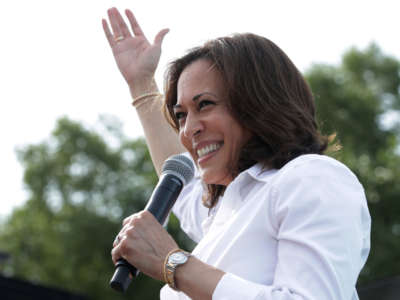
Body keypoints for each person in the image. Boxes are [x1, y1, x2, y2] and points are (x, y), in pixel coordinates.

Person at [103, 7, 371, 300]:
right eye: (181, 115)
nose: (188, 129)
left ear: (258, 102)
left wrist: (172, 262)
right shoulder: (227, 211)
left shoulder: (312, 177)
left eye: (204, 104)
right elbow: (186, 186)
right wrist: (141, 84)